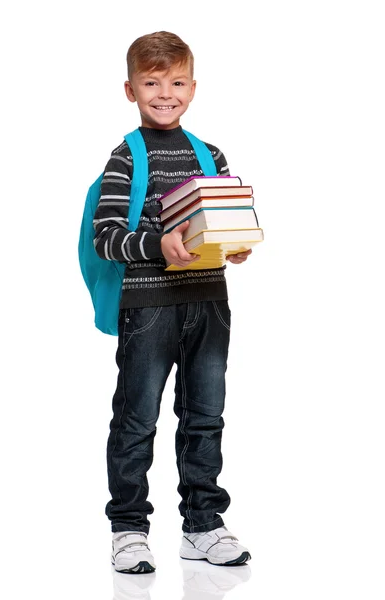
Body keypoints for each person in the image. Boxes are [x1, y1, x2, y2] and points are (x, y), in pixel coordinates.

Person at [93, 31, 252, 574]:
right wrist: (157, 243)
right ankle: (129, 527)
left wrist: (234, 246)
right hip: (148, 307)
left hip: (209, 302)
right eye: (152, 82)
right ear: (130, 90)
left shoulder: (212, 154)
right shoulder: (125, 158)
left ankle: (203, 524)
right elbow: (107, 236)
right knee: (137, 419)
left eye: (177, 81)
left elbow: (222, 219)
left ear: (194, 87)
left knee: (206, 416)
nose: (166, 93)